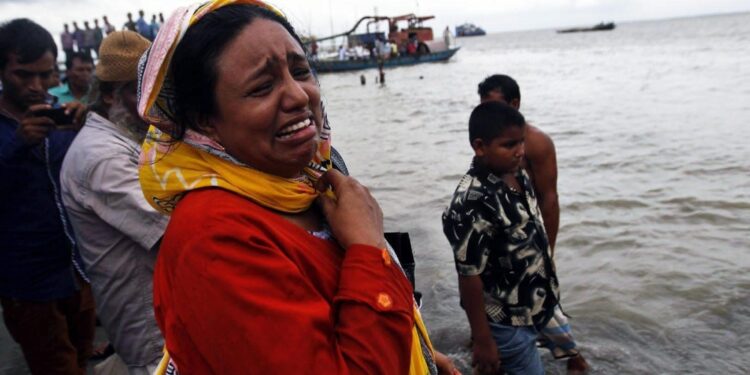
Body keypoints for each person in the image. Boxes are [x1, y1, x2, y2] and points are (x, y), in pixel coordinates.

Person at [137, 1, 458, 374]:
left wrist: (417, 350)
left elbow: (332, 324)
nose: (300, 95)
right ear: (204, 120)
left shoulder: (302, 184)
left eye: (300, 71)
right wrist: (368, 250)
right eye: (262, 86)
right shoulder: (213, 240)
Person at [61, 30, 166, 375]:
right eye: (140, 94)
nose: (151, 105)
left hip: (156, 310)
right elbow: (172, 226)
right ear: (109, 95)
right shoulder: (102, 158)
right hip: (146, 322)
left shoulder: (125, 139)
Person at [477, 74, 589, 374]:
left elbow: (549, 200)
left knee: (540, 304)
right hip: (505, 239)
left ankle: (573, 358)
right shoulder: (490, 139)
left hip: (530, 241)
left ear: (515, 105)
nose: (488, 114)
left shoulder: (536, 144)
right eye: (483, 106)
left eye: (495, 106)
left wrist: (546, 253)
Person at [0, 18, 92, 375]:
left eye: (46, 74)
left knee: (81, 358)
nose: (38, 86)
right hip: (27, 283)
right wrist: (18, 145)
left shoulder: (61, 112)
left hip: (77, 270)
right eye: (24, 75)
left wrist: (88, 130)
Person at [443, 102, 561, 375]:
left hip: (533, 303)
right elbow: (469, 276)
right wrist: (482, 340)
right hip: (505, 321)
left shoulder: (516, 174)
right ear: (480, 146)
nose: (520, 151)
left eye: (521, 142)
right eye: (509, 145)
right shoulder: (471, 203)